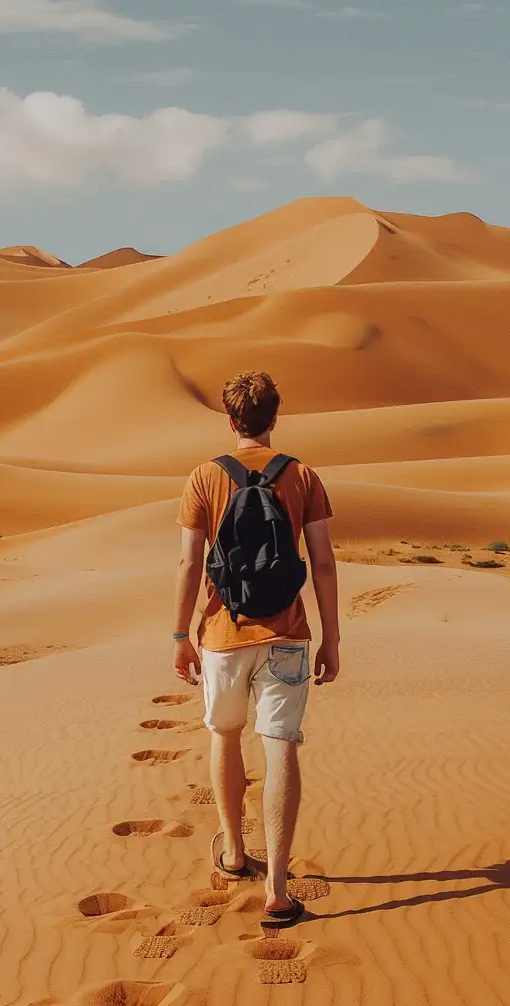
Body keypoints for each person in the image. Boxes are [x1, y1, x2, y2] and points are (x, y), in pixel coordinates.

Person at [172, 370, 340, 928]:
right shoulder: (303, 477)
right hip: (288, 635)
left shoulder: (203, 478)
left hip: (222, 634)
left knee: (225, 735)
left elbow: (190, 564)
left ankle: (235, 854)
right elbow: (322, 561)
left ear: (230, 419)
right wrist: (332, 637)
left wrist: (180, 635)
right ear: (274, 417)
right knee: (282, 747)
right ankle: (276, 889)